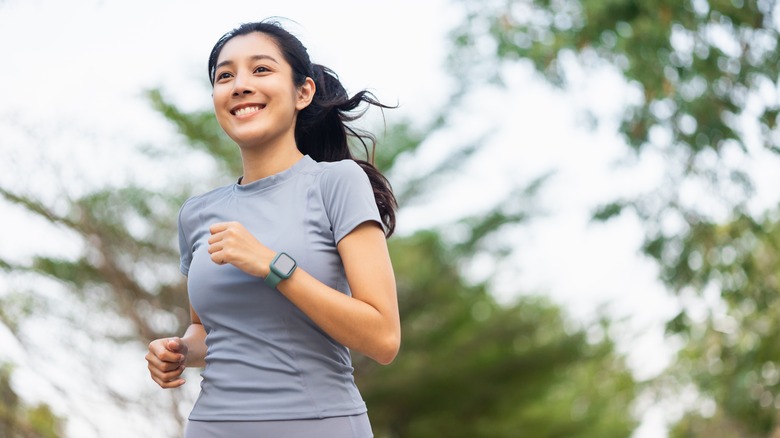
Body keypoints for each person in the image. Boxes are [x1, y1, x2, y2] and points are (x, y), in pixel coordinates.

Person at [145, 19, 401, 438]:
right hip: (213, 427)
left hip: (319, 425)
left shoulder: (337, 183)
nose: (240, 85)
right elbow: (208, 331)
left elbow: (384, 338)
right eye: (225, 76)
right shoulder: (197, 213)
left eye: (260, 70)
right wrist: (179, 351)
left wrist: (272, 266)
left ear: (303, 92)